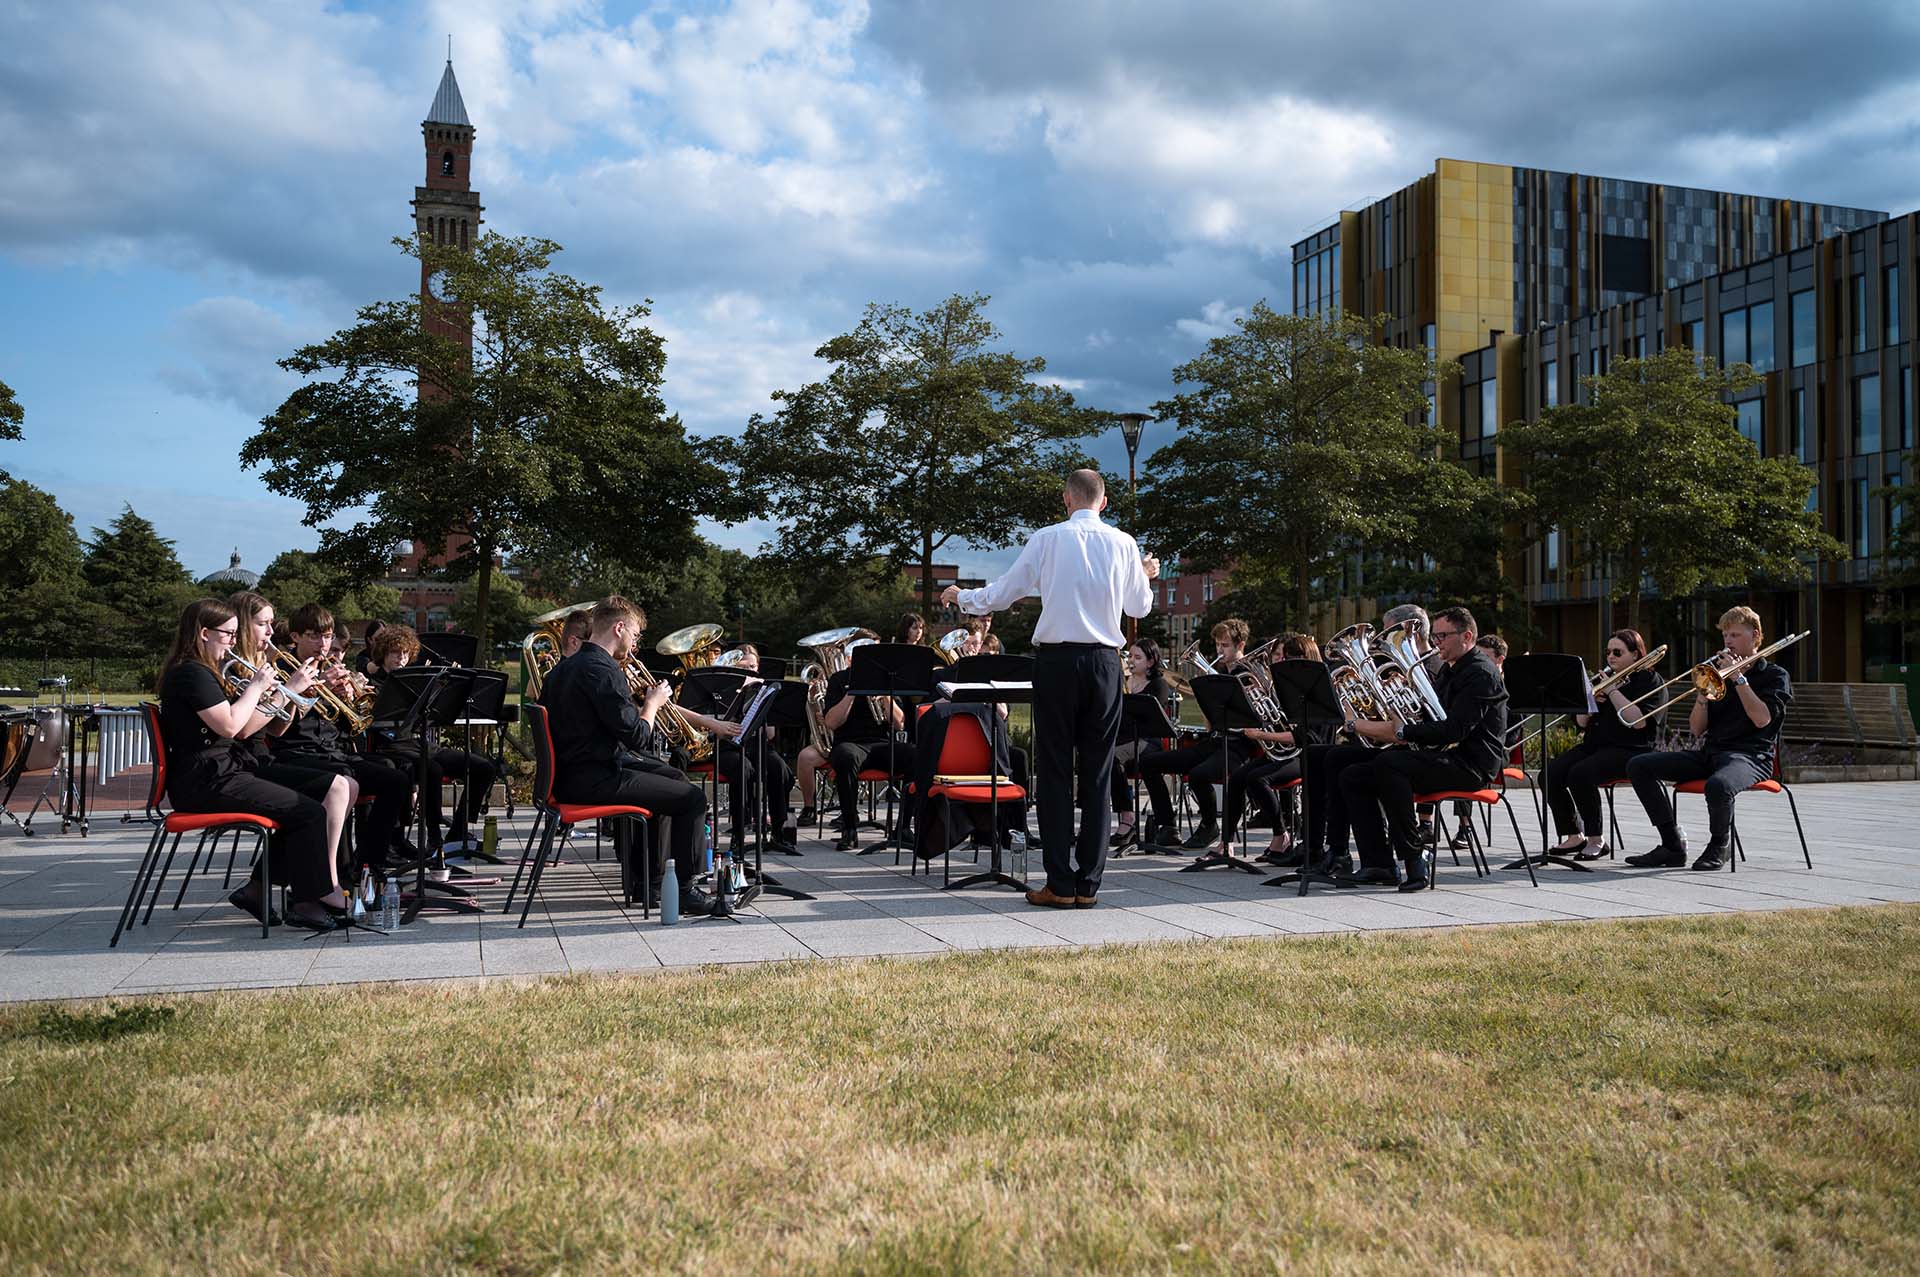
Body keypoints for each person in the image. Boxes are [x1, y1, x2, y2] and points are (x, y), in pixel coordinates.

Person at [943, 468, 1156, 909]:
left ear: (1066, 499)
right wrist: (1144, 574)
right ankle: (1089, 885)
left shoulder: (1047, 539)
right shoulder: (1124, 544)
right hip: (1104, 663)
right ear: (1105, 501)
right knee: (1097, 775)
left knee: (1056, 772)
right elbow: (1139, 606)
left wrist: (963, 597)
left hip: (1057, 662)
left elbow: (1003, 594)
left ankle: (1059, 882)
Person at [156, 599, 343, 932]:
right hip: (206, 779)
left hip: (221, 771)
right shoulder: (191, 673)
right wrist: (258, 688)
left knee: (305, 805)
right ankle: (305, 903)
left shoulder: (203, 671)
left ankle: (260, 889)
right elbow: (231, 727)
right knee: (309, 812)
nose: (233, 640)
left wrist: (272, 695)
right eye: (228, 634)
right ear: (203, 634)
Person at [539, 596, 719, 916]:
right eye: (635, 636)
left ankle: (648, 883)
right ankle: (688, 889)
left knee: (673, 778)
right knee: (692, 799)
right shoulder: (603, 670)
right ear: (619, 628)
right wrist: (653, 703)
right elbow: (639, 738)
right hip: (592, 779)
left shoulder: (562, 669)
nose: (634, 645)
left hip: (573, 774)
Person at [1337, 606, 1509, 891]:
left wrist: (1404, 730)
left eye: (1442, 635)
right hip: (1445, 753)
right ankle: (1378, 863)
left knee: (1390, 766)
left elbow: (1455, 730)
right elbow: (1431, 719)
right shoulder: (1451, 669)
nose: (1436, 641)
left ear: (1466, 636)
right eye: (1437, 635)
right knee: (1352, 775)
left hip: (1471, 764)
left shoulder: (1481, 673)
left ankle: (1415, 858)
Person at [1625, 606, 1791, 871]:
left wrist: (1739, 678)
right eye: (1725, 635)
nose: (1728, 642)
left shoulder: (1774, 676)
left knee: (1718, 785)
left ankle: (1719, 845)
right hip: (1712, 752)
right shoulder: (1718, 675)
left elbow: (1762, 719)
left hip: (1751, 756)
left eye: (1735, 635)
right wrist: (1703, 696)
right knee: (1639, 765)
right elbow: (1696, 729)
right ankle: (1672, 845)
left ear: (1755, 635)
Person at [272, 603, 415, 869]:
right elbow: (279, 726)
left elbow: (345, 728)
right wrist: (317, 691)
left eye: (326, 637)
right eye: (314, 636)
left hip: (330, 750)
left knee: (395, 777)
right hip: (295, 753)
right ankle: (342, 869)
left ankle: (371, 859)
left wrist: (346, 703)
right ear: (295, 637)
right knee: (346, 776)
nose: (323, 644)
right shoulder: (282, 667)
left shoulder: (327, 666)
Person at [365, 624, 498, 851]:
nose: (401, 658)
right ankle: (433, 834)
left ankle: (457, 832)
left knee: (483, 767)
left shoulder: (416, 684)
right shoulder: (374, 685)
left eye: (405, 653)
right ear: (383, 655)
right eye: (395, 652)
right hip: (389, 747)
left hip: (417, 743)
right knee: (432, 768)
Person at [1538, 628, 1663, 859]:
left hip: (1630, 749)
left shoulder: (1649, 680)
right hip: (1595, 746)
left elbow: (1638, 722)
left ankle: (1597, 839)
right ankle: (1574, 835)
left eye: (1618, 652)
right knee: (1549, 774)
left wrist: (1612, 690)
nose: (1611, 657)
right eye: (1608, 652)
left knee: (1580, 773)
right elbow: (1582, 723)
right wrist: (1589, 703)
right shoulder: (1602, 680)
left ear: (1635, 655)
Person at [1135, 618, 1255, 850]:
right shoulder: (1219, 672)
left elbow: (1250, 717)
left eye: (1225, 645)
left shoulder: (1248, 674)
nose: (1220, 651)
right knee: (1148, 762)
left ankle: (1210, 825)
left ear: (1240, 645)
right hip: (1215, 741)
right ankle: (1168, 826)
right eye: (1218, 645)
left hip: (1239, 745)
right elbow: (1211, 724)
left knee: (1199, 774)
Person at [1221, 633, 1332, 865]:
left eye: (1288, 656)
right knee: (1239, 776)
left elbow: (1305, 737)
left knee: (1257, 779)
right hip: (1284, 751)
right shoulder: (1285, 686)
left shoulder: (1317, 685)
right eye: (1280, 656)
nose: (1282, 662)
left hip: (1308, 754)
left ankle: (1281, 837)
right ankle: (1226, 843)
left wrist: (1262, 734)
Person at [676, 644, 795, 853]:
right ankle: (738, 836)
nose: (751, 671)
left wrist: (762, 707)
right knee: (742, 768)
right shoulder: (719, 692)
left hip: (756, 744)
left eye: (754, 666)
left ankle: (778, 831)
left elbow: (770, 735)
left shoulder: (762, 690)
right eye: (745, 667)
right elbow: (707, 727)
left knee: (780, 769)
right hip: (726, 747)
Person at [820, 652, 909, 850]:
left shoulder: (887, 679)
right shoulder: (838, 680)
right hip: (850, 743)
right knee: (846, 757)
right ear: (851, 659)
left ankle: (903, 827)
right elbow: (831, 722)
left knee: (916, 756)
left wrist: (886, 695)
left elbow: (900, 724)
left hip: (881, 744)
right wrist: (853, 692)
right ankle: (850, 828)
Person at [1109, 638, 1176, 850]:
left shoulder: (1159, 685)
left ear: (1150, 661)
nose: (1131, 661)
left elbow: (1152, 721)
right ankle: (1094, 820)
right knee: (1100, 756)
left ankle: (1127, 820)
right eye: (1130, 656)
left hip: (1148, 741)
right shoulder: (1122, 683)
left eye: (1137, 657)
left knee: (1111, 757)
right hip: (1124, 740)